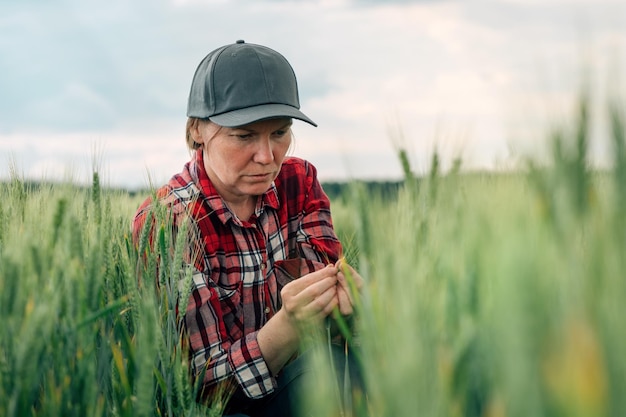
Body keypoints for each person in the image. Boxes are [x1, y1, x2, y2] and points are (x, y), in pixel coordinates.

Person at [132, 40, 363, 416]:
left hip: (305, 384)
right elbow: (202, 386)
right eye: (244, 136)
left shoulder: (299, 183)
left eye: (279, 133)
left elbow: (328, 332)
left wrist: (351, 309)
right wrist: (288, 324)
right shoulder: (167, 223)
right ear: (197, 132)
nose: (267, 156)